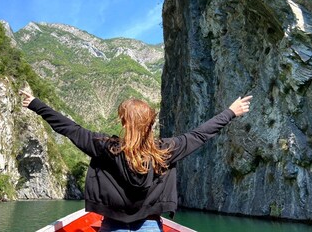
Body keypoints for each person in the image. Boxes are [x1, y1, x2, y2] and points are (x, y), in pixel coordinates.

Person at [20, 90, 252, 231]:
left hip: (112, 225)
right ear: (151, 124)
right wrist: (230, 112)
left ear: (123, 122)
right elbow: (200, 134)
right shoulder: (165, 151)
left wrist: (36, 104)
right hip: (151, 225)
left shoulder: (104, 148)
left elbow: (68, 128)